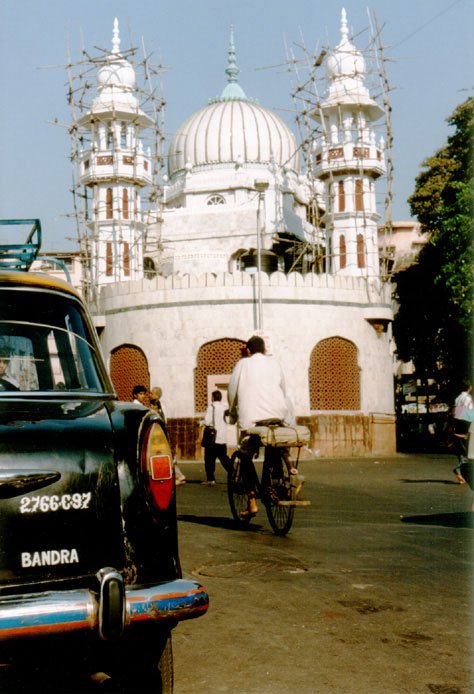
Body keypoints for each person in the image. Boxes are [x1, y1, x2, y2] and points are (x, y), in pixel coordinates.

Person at [227, 335, 294, 516]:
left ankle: (251, 502)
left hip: (251, 419)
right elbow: (283, 390)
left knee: (245, 455)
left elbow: (232, 393)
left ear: (248, 350)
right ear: (265, 350)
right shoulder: (275, 363)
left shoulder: (242, 364)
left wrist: (232, 415)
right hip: (277, 415)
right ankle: (275, 481)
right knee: (273, 446)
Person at [150, 384, 186, 486]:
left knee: (163, 455)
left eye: (151, 393)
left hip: (159, 435)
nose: (149, 395)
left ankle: (178, 475)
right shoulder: (161, 405)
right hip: (162, 434)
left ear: (157, 395)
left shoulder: (156, 406)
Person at [201, 390, 230, 486]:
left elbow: (208, 421)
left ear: (213, 397)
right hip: (222, 437)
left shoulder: (211, 407)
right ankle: (234, 473)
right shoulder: (224, 408)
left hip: (212, 438)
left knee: (209, 458)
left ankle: (210, 479)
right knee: (223, 458)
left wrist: (201, 423)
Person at [452, 380, 474, 484]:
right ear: (469, 387)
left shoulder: (458, 398)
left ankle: (461, 473)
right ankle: (460, 470)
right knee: (467, 450)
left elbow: (458, 413)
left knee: (461, 451)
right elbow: (470, 415)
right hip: (466, 427)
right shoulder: (468, 398)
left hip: (458, 427)